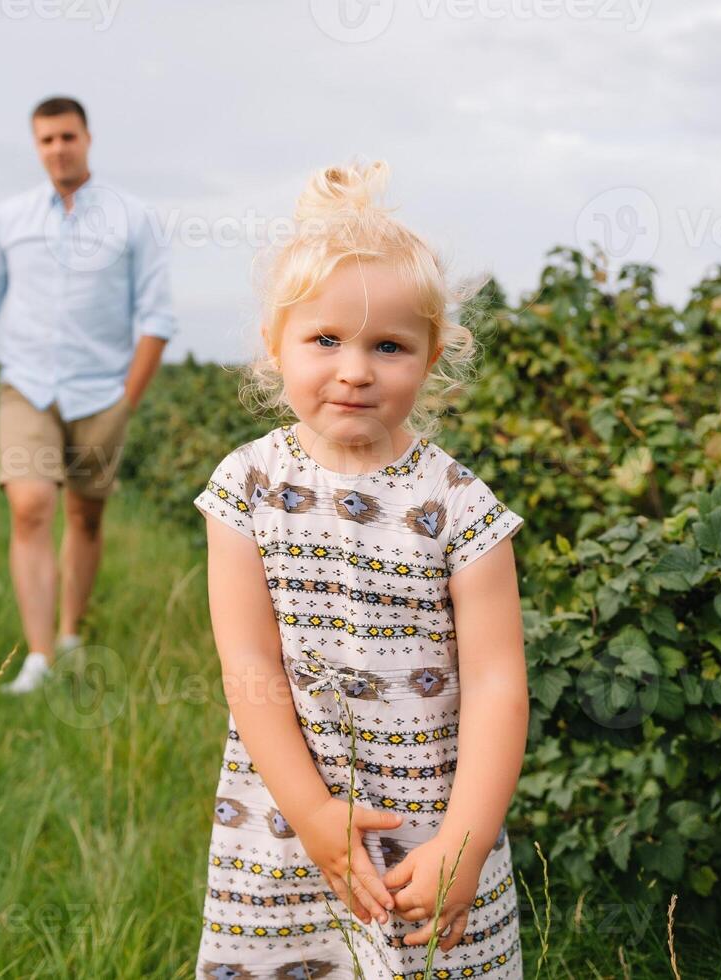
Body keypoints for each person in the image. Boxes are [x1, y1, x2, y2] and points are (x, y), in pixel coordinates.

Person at [191, 161, 528, 977]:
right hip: (285, 810)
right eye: (325, 340)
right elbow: (249, 665)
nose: (354, 369)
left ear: (430, 356)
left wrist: (463, 843)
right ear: (276, 344)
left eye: (388, 346)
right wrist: (310, 812)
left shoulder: (458, 503)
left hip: (428, 821)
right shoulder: (247, 486)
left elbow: (495, 683)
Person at [0, 96, 175, 694]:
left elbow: (157, 317)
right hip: (27, 388)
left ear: (87, 138)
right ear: (35, 146)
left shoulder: (132, 217)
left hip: (101, 394)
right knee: (30, 506)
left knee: (85, 518)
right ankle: (39, 658)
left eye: (67, 136)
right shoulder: (9, 218)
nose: (57, 148)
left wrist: (127, 400)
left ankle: (70, 633)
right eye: (46, 140)